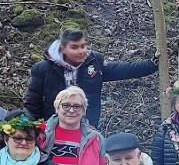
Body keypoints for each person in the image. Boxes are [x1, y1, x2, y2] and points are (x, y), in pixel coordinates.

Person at [25, 28, 158, 128]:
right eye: (74, 47)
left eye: (83, 46)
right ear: (63, 49)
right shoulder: (43, 69)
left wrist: (152, 64)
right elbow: (32, 103)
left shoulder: (94, 63)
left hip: (86, 126)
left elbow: (123, 70)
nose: (81, 51)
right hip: (53, 126)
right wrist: (32, 128)